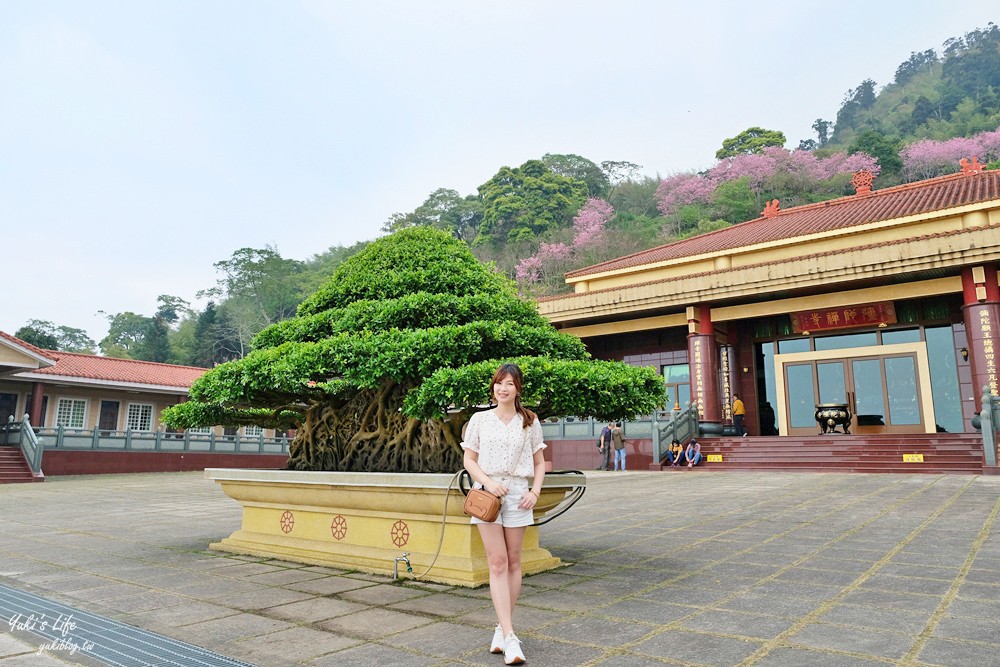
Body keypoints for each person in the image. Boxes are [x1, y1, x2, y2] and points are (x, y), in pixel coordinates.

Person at [462, 363, 545, 665]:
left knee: (513, 562)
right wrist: (489, 482)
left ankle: (501, 627)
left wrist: (534, 492)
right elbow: (469, 459)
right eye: (499, 383)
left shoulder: (529, 421)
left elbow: (539, 463)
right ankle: (510, 637)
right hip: (487, 496)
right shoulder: (479, 419)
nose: (503, 388)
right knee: (496, 562)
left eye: (510, 383)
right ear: (493, 387)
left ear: (518, 388)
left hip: (519, 497)